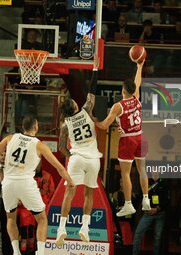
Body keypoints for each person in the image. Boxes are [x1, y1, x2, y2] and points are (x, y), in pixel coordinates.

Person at [0, 115, 74, 255]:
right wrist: (70, 181)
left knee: (11, 218)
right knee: (42, 219)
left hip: (8, 183)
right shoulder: (39, 145)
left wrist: (0, 174)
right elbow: (59, 167)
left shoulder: (10, 138)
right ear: (36, 127)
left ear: (23, 127)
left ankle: (16, 251)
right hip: (25, 183)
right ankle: (40, 252)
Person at [55, 56, 102, 245]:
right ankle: (85, 228)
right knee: (89, 194)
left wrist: (70, 155)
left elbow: (60, 147)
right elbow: (93, 90)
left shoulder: (65, 125)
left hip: (76, 158)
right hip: (93, 159)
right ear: (74, 105)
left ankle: (61, 229)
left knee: (69, 193)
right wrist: (95, 70)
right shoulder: (86, 110)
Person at [96, 60, 151, 217]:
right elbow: (137, 82)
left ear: (123, 90)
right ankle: (146, 199)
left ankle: (128, 204)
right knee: (142, 169)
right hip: (141, 136)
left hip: (127, 140)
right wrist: (139, 67)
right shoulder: (136, 98)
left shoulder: (118, 106)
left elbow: (105, 126)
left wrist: (94, 120)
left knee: (125, 174)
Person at [132, 172, 169, 255]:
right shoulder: (146, 182)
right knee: (138, 234)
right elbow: (140, 197)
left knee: (157, 237)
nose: (155, 173)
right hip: (147, 213)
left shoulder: (164, 184)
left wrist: (157, 209)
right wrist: (146, 208)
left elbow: (167, 201)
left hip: (160, 214)